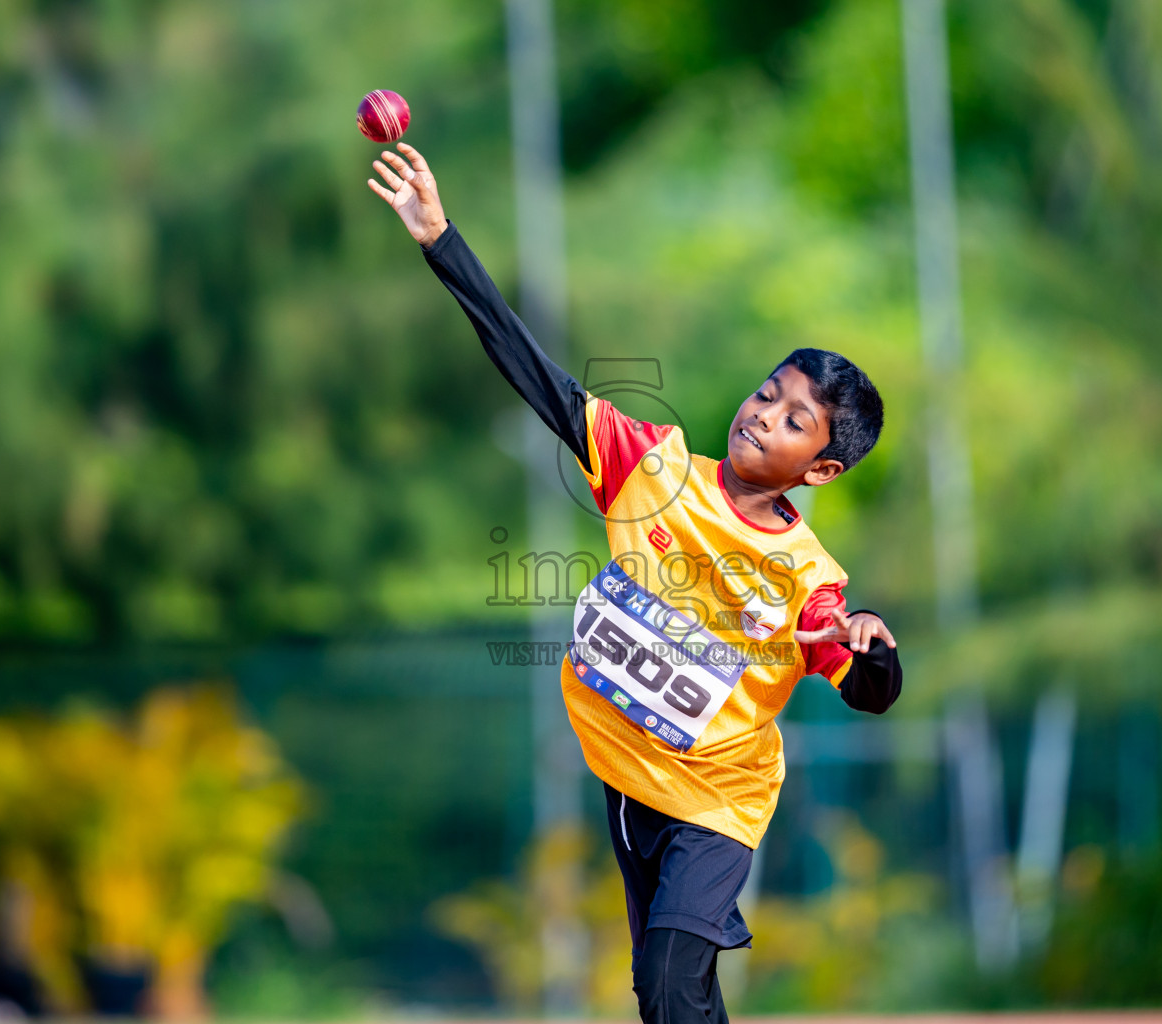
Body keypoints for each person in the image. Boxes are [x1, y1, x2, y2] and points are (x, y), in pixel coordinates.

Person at [368, 142, 901, 1023]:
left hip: (721, 798)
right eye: (768, 393)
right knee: (668, 1004)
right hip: (626, 774)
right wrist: (440, 239)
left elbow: (873, 692)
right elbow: (534, 373)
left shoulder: (811, 582)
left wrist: (869, 640)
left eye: (795, 419)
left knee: (665, 980)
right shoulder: (652, 466)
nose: (764, 414)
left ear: (822, 470)